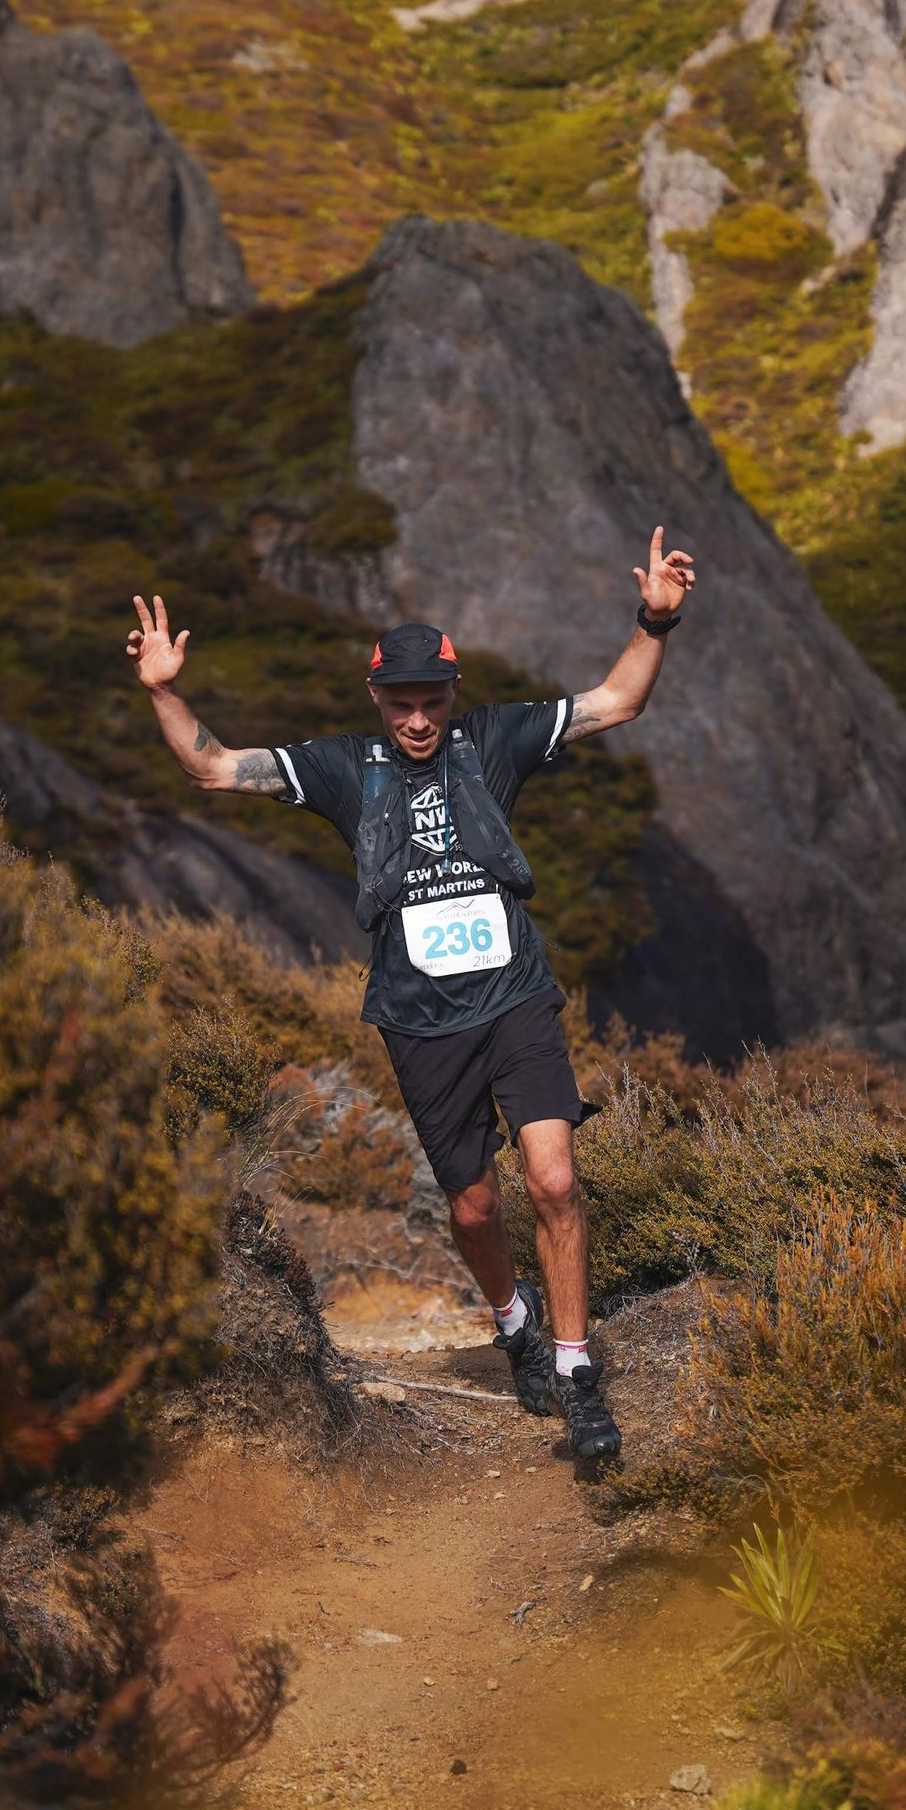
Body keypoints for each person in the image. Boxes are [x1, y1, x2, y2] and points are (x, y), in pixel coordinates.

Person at [125, 528, 697, 1470]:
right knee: (473, 1209)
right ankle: (513, 1321)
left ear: (452, 695)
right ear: (376, 697)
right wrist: (162, 689)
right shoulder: (344, 766)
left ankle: (574, 1372)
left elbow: (619, 701)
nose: (420, 720)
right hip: (421, 1018)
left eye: (433, 702)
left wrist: (653, 621)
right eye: (403, 703)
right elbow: (214, 767)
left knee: (553, 1179)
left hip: (515, 995)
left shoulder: (495, 738)